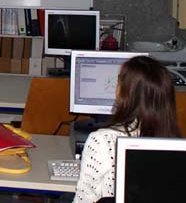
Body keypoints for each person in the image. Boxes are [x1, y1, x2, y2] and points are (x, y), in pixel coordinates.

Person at [73, 56, 180, 203]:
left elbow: (83, 200)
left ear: (124, 94)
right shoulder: (177, 146)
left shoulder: (102, 141)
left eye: (119, 82)